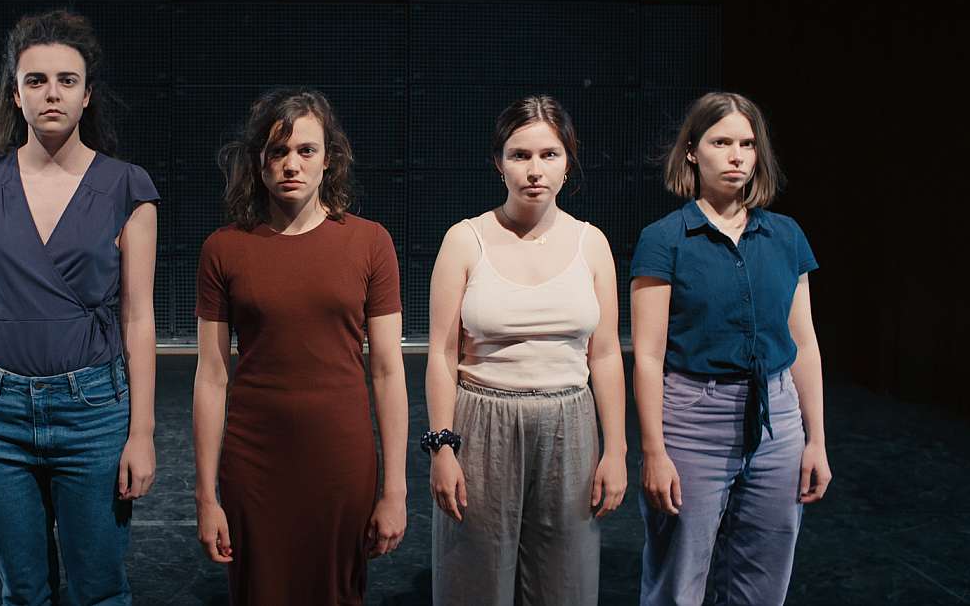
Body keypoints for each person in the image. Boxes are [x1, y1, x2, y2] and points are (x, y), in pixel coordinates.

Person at [0, 9, 158, 605]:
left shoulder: (127, 188)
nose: (51, 93)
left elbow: (139, 319)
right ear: (15, 94)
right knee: (22, 591)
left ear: (87, 95)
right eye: (35, 80)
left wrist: (141, 433)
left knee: (99, 589)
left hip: (92, 413)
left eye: (66, 80)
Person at [192, 88, 408, 605]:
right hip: (255, 462)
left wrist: (395, 490)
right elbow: (212, 376)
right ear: (258, 160)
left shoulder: (369, 242)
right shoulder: (224, 248)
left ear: (328, 158)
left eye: (306, 150)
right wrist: (205, 496)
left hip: (340, 459)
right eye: (278, 151)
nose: (292, 164)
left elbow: (387, 371)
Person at [424, 96, 627, 605]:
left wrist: (617, 450)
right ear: (499, 162)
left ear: (567, 162)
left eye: (549, 154)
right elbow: (442, 354)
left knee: (566, 584)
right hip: (482, 422)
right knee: (473, 580)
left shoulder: (591, 243)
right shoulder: (465, 240)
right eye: (520, 155)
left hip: (569, 423)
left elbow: (604, 354)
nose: (535, 170)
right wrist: (442, 446)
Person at [632, 91, 831, 605]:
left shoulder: (785, 236)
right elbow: (648, 356)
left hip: (777, 418)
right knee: (678, 580)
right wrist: (653, 451)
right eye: (721, 142)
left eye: (747, 143)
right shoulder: (665, 239)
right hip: (694, 419)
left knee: (763, 582)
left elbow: (803, 343)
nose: (737, 155)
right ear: (692, 151)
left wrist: (816, 439)